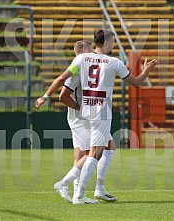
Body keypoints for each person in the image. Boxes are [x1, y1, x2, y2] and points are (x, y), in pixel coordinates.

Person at [59, 29, 158, 204]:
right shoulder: (113, 62)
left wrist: (46, 95)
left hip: (86, 110)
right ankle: (74, 191)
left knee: (108, 146)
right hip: (101, 111)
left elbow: (63, 83)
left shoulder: (82, 59)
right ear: (105, 43)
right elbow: (136, 82)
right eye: (112, 41)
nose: (113, 44)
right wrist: (147, 70)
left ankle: (99, 188)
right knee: (94, 153)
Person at [35, 40, 117, 204]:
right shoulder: (79, 69)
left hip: (83, 115)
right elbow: (63, 95)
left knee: (95, 150)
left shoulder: (84, 66)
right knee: (93, 152)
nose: (94, 52)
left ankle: (84, 192)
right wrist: (81, 108)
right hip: (84, 116)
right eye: (90, 49)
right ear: (85, 50)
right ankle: (70, 187)